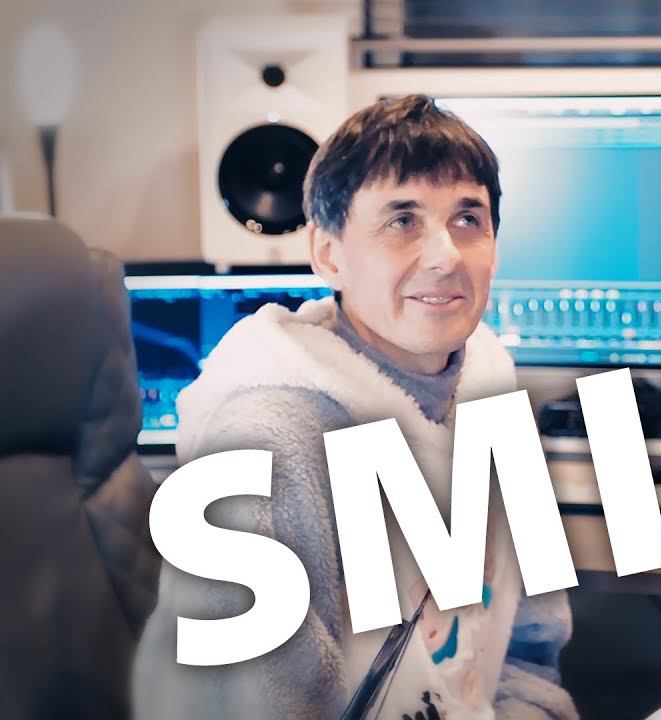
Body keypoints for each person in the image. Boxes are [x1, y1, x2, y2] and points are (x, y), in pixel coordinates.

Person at [134, 95, 577, 720]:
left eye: (467, 219)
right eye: (402, 220)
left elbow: (529, 658)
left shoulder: (491, 387)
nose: (446, 255)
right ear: (328, 255)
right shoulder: (267, 443)